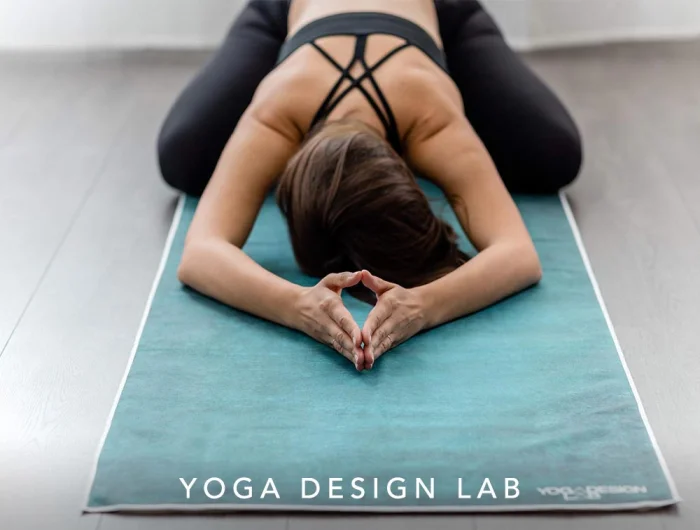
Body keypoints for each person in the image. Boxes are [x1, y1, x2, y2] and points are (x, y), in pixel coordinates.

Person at [160, 0, 583, 372]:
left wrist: (424, 306)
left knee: (553, 155)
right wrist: (297, 305)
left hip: (440, 11)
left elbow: (519, 256)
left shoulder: (426, 110)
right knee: (184, 157)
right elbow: (198, 256)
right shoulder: (281, 105)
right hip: (293, 14)